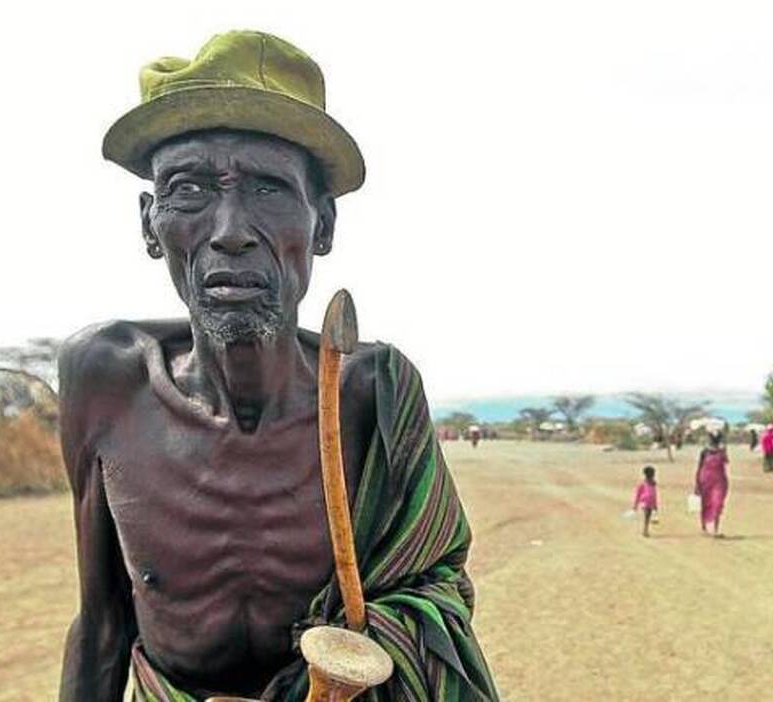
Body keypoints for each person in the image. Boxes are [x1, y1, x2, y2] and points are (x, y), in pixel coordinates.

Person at [58, 31, 497, 700]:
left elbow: (436, 586)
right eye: (189, 189)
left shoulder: (375, 393)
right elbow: (101, 624)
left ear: (323, 225)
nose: (231, 229)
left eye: (267, 189)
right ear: (151, 224)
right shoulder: (105, 381)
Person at [694, 433, 731, 536]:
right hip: (705, 480)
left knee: (717, 504)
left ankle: (715, 528)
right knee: (706, 504)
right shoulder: (704, 452)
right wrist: (697, 483)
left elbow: (726, 461)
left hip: (719, 481)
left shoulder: (722, 452)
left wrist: (724, 451)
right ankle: (705, 526)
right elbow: (699, 467)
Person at [634, 466, 660, 537]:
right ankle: (645, 530)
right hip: (645, 503)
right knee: (647, 516)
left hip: (650, 503)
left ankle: (645, 530)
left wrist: (655, 505)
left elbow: (655, 494)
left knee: (648, 516)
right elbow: (638, 494)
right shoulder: (643, 484)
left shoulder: (653, 484)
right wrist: (635, 504)